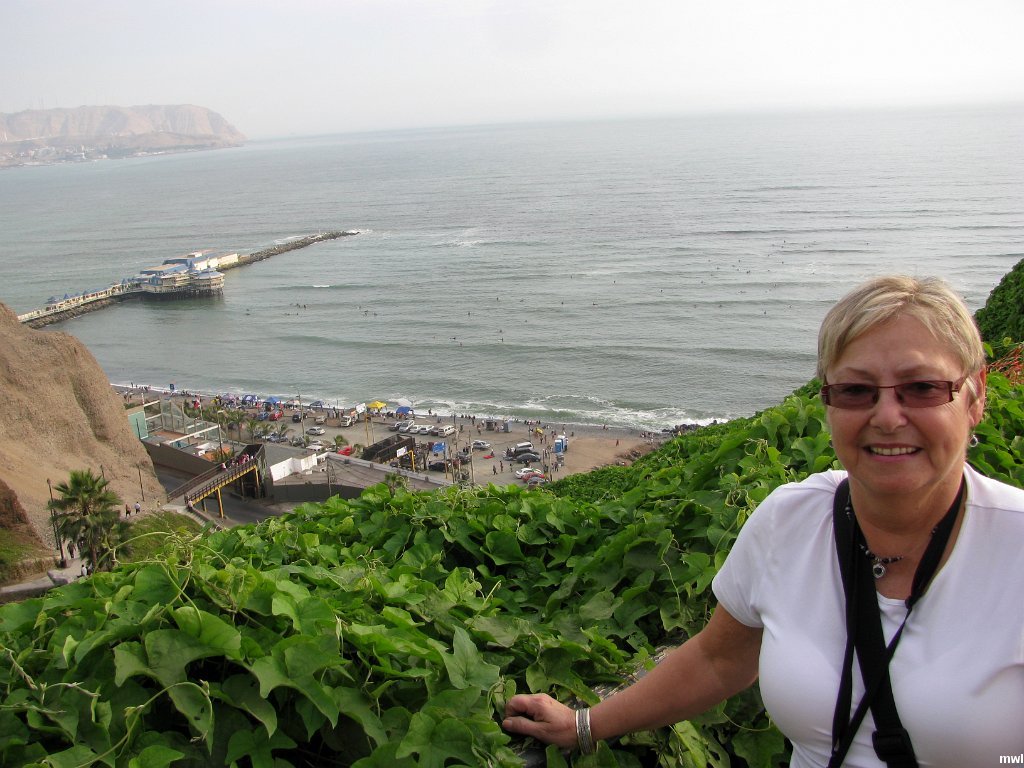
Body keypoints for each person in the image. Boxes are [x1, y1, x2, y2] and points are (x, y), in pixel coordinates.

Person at [503, 276, 1024, 766]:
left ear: (976, 396)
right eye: (855, 390)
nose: (887, 417)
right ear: (827, 401)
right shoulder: (792, 519)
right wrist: (585, 725)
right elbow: (718, 661)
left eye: (923, 387)